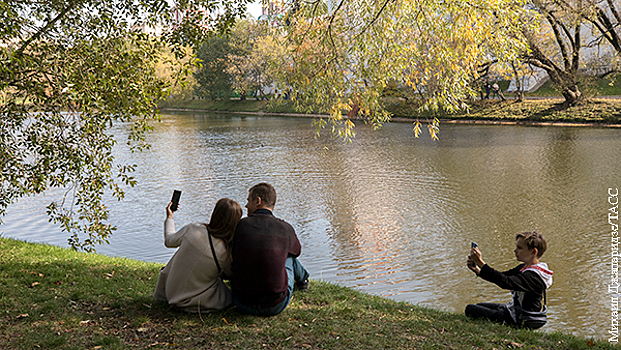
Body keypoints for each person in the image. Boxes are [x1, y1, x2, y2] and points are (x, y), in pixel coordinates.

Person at [231, 182, 310, 316]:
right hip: (275, 304)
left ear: (258, 201)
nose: (246, 205)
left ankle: (303, 279)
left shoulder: (241, 225)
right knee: (289, 256)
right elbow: (296, 252)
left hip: (241, 303)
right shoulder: (285, 228)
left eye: (248, 200)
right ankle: (303, 280)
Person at [154, 198, 242, 313]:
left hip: (169, 292)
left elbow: (169, 241)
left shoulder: (193, 229)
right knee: (227, 292)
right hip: (192, 301)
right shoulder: (225, 251)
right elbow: (230, 274)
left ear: (214, 214)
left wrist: (170, 217)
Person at [465, 231, 553, 328]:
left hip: (522, 318)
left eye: (519, 248)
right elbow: (501, 276)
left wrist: (481, 262)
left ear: (533, 252)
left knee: (470, 309)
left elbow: (505, 282)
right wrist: (478, 270)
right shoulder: (525, 267)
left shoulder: (533, 276)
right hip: (516, 310)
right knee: (479, 305)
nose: (515, 251)